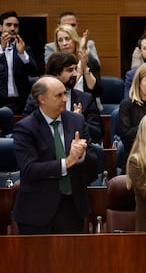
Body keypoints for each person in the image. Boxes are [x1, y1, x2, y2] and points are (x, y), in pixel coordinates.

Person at [12, 76, 98, 234]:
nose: (65, 99)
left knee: (72, 259)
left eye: (65, 93)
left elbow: (94, 163)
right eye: (59, 95)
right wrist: (69, 161)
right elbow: (30, 169)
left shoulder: (77, 121)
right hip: (36, 212)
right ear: (42, 99)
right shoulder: (25, 128)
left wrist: (81, 156)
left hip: (72, 208)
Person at [23, 51, 104, 144]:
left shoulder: (85, 99)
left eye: (75, 69)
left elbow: (98, 134)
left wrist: (79, 121)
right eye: (70, 70)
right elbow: (27, 129)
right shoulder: (38, 97)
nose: (75, 74)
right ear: (55, 74)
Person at [54, 24, 103, 110]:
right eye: (60, 40)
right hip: (62, 107)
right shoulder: (55, 63)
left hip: (87, 107)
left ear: (75, 40)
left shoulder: (90, 62)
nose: (64, 43)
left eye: (67, 39)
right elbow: (61, 89)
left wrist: (85, 67)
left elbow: (96, 91)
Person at [0, 11, 39, 114]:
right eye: (8, 25)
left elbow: (34, 72)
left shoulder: (24, 48)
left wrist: (22, 54)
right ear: (0, 27)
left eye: (15, 26)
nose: (12, 28)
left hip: (21, 103)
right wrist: (1, 50)